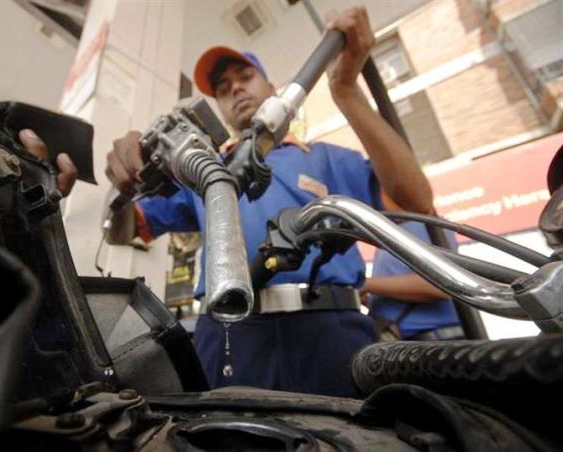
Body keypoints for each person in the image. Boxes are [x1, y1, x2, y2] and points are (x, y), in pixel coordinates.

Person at [104, 7, 435, 397]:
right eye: (223, 89)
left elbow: (416, 199)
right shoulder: (201, 170)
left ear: (273, 87)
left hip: (331, 329)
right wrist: (124, 189)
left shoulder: (325, 157)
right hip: (231, 335)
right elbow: (124, 232)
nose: (236, 90)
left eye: (245, 77)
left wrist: (345, 89)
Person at [363, 221, 464, 341]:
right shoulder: (391, 230)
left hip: (437, 342)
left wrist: (366, 285)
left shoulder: (419, 224)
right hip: (408, 342)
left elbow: (442, 284)